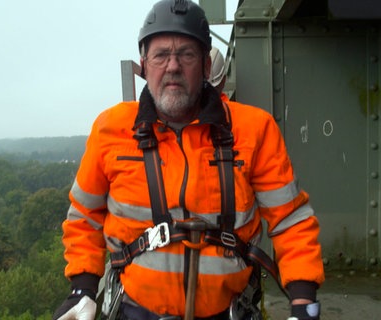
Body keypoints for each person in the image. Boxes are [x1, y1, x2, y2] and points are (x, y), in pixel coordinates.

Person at [52, 0, 324, 319]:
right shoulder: (111, 129)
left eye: (186, 54)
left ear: (206, 67)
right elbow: (85, 215)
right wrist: (83, 288)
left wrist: (303, 298)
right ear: (144, 64)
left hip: (229, 312)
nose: (172, 66)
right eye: (161, 55)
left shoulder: (254, 130)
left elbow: (290, 219)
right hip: (135, 311)